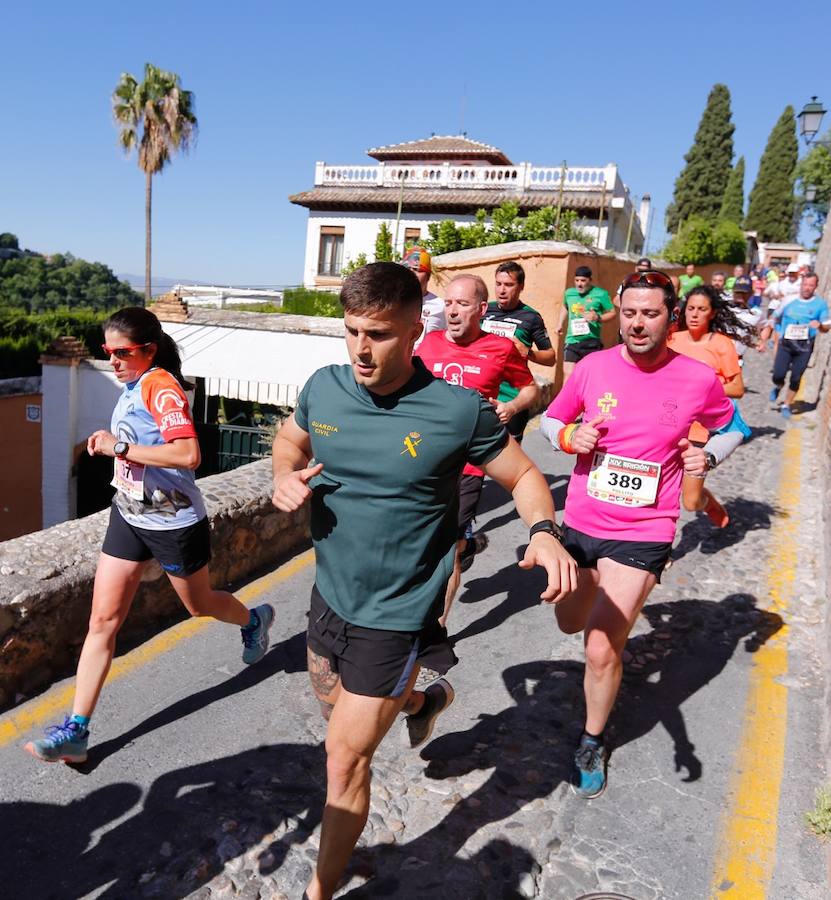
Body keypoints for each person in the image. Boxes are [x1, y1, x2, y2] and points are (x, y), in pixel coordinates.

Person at [271, 262, 577, 900]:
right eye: (352, 331)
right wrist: (283, 475)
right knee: (331, 693)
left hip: (401, 608)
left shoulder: (455, 411)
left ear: (415, 328)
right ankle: (422, 700)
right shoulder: (323, 389)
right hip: (332, 593)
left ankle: (318, 893)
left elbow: (523, 477)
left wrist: (545, 534)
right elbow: (288, 440)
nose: (361, 348)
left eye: (378, 334)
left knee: (344, 756)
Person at [24, 308, 273, 764]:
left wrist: (118, 446)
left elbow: (189, 453)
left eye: (123, 353)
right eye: (108, 352)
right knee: (102, 623)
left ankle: (253, 621)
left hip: (175, 525)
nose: (114, 361)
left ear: (148, 350)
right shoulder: (135, 385)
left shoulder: (160, 386)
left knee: (199, 605)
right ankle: (76, 731)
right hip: (129, 515)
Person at [540, 269, 743, 799]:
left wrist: (709, 454)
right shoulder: (592, 366)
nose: (637, 323)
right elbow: (549, 418)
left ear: (668, 317)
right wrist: (567, 434)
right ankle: (592, 626)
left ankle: (591, 739)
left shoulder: (696, 378)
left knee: (602, 649)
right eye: (629, 312)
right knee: (571, 622)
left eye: (650, 313)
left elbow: (735, 424)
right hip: (581, 525)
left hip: (645, 530)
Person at [417, 273, 539, 619]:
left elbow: (529, 388)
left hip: (470, 464)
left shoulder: (501, 349)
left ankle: (434, 633)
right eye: (449, 303)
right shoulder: (428, 344)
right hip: (423, 461)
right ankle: (469, 543)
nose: (453, 311)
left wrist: (511, 406)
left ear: (482, 309)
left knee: (447, 550)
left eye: (463, 304)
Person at [668, 285, 752, 527]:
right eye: (691, 308)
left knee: (691, 502)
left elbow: (737, 388)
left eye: (701, 309)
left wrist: (702, 387)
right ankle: (658, 552)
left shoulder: (721, 343)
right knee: (659, 491)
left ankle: (711, 506)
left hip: (702, 430)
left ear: (712, 313)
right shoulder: (672, 338)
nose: (694, 314)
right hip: (668, 422)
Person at [481, 261, 556, 442]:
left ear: (521, 286)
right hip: (483, 391)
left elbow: (551, 357)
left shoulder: (531, 317)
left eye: (508, 285)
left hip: (513, 397)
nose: (502, 290)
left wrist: (528, 353)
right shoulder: (484, 310)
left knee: (510, 457)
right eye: (498, 284)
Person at [758, 273, 831, 417]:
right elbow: (774, 316)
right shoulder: (788, 300)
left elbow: (827, 327)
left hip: (804, 347)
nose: (807, 288)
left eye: (811, 285)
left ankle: (786, 404)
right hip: (786, 344)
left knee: (796, 378)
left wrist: (820, 326)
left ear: (816, 286)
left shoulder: (820, 304)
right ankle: (778, 386)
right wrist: (769, 331)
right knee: (778, 375)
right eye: (805, 285)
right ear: (801, 285)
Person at [557, 265, 616, 380]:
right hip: (572, 340)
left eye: (583, 280)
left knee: (589, 376)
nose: (579, 284)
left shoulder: (600, 294)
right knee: (568, 374)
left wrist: (598, 317)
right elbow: (565, 306)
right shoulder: (569, 293)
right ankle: (568, 398)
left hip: (591, 341)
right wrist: (559, 323)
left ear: (590, 280)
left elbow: (612, 313)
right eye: (577, 280)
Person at [401, 246, 445, 347]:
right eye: (408, 269)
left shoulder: (441, 306)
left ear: (428, 275)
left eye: (417, 269)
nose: (411, 273)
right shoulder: (392, 302)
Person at [728, 275, 766, 368]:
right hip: (716, 357)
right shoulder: (724, 308)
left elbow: (765, 326)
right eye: (738, 292)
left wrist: (762, 341)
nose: (740, 295)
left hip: (736, 360)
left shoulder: (757, 313)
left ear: (751, 293)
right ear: (733, 292)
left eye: (744, 292)